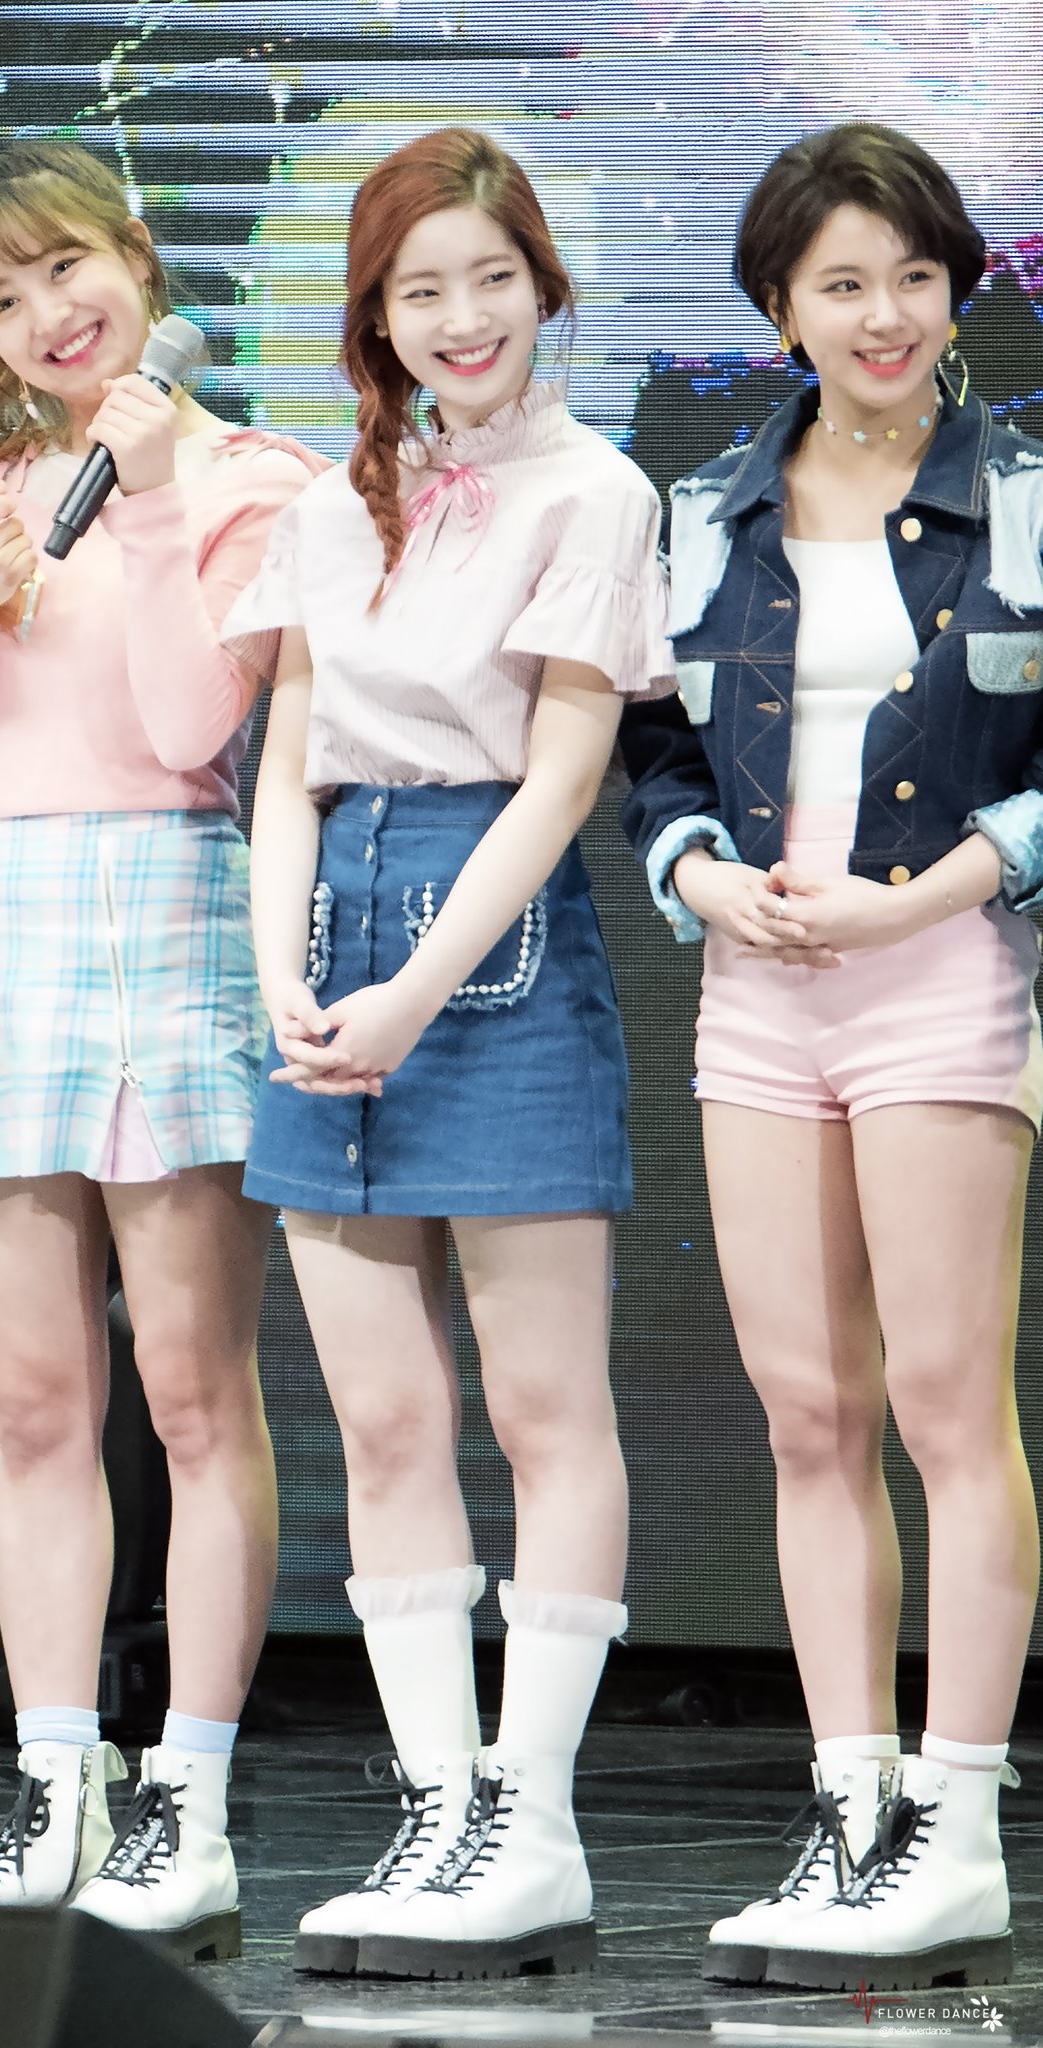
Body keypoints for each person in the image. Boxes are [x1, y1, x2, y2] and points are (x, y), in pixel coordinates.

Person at [222, 124, 672, 1981]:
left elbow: (562, 778)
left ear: (543, 286)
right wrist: (281, 973)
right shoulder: (333, 505)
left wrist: (413, 990)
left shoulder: (597, 491)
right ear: (377, 315)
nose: (464, 316)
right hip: (331, 938)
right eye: (423, 289)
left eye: (494, 278)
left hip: (490, 941)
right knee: (385, 1419)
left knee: (543, 1410)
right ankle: (434, 1808)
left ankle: (530, 1821)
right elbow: (285, 765)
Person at [622, 121, 1043, 1993]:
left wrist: (915, 899)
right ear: (781, 308)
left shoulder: (1022, 496)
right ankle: (852, 1805)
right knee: (808, 1414)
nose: (887, 316)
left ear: (957, 291)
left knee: (947, 1405)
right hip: (759, 983)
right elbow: (653, 755)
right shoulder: (704, 511)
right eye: (844, 284)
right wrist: (702, 875)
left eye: (915, 278)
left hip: (940, 963)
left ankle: (958, 1829)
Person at [0, 140, 315, 1958]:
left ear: (136, 256)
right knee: (38, 1405)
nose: (49, 315)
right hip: (8, 922)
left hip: (173, 910)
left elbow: (190, 724)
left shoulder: (255, 480)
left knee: (197, 1399)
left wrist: (144, 507)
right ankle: (55, 1786)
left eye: (67, 267)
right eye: (3, 298)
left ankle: (187, 1806)